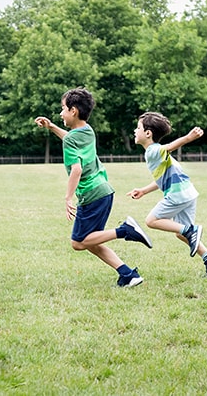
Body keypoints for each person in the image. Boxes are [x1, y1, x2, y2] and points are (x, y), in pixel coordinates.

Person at [35, 88, 153, 288]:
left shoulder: (73, 139)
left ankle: (125, 230)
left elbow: (76, 169)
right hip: (104, 191)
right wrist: (53, 127)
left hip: (91, 194)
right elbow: (71, 139)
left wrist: (68, 198)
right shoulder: (87, 130)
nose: (60, 113)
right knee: (91, 241)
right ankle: (127, 275)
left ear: (73, 111)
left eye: (62, 109)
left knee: (78, 242)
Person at [127, 111, 207, 277]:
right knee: (180, 233)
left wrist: (188, 138)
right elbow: (161, 179)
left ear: (148, 133)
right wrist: (144, 190)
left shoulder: (152, 151)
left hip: (178, 194)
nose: (135, 131)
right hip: (188, 193)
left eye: (138, 128)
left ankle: (191, 231)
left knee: (151, 221)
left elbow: (170, 147)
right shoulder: (156, 154)